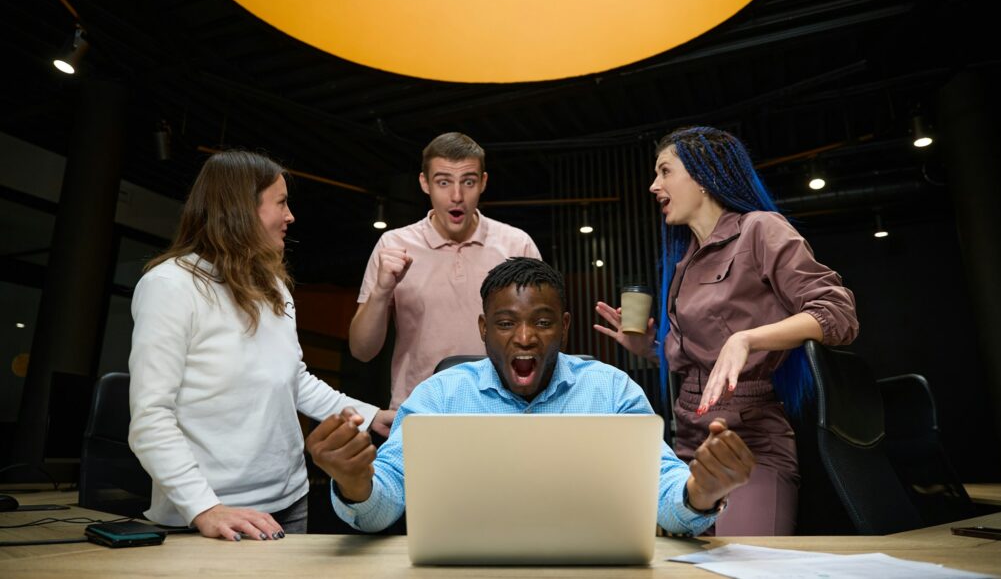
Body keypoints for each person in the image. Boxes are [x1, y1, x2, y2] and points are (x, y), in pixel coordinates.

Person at [307, 257, 755, 536]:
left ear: (563, 326)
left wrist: (700, 493)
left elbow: (664, 492)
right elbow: (385, 503)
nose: (524, 338)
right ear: (484, 330)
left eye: (541, 323)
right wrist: (355, 483)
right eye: (505, 323)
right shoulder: (439, 396)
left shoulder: (611, 390)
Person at [594, 126, 858, 535]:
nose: (654, 185)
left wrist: (748, 338)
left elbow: (838, 313)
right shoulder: (682, 263)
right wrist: (649, 347)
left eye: (665, 172)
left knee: (744, 565)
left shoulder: (760, 229)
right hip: (683, 446)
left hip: (749, 442)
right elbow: (701, 359)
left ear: (701, 176)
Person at [128, 150, 394, 541]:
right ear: (240, 210)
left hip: (290, 503)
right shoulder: (169, 286)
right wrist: (205, 508)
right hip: (208, 516)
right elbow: (150, 418)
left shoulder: (275, 287)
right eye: (282, 203)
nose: (291, 216)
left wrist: (372, 417)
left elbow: (293, 379)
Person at [348, 132, 541, 409]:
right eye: (443, 182)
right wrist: (380, 292)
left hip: (505, 407)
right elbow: (362, 351)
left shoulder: (517, 244)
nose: (457, 196)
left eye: (468, 182)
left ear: (483, 183)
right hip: (421, 408)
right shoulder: (394, 245)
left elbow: (542, 337)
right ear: (424, 183)